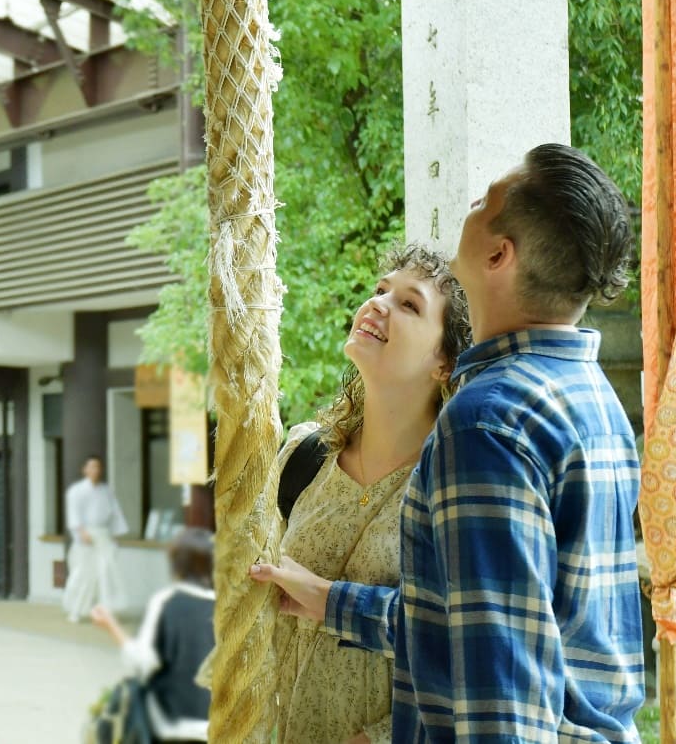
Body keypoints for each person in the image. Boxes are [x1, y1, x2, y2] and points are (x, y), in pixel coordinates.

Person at [252, 143, 646, 742]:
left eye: (484, 200)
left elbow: (499, 696)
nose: (470, 205)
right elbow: (465, 626)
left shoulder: (485, 422)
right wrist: (332, 603)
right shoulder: (596, 403)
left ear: (498, 253)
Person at [269, 244, 470, 744]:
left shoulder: (452, 483)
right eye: (381, 290)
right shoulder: (303, 454)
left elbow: (467, 647)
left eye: (409, 304)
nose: (377, 304)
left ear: (443, 362)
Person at [90, 526, 216, 742]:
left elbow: (142, 664)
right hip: (214, 723)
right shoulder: (222, 606)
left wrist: (111, 626)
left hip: (169, 724)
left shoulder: (166, 602)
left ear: (177, 564)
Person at [63, 455, 128, 623]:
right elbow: (74, 513)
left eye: (97, 467)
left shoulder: (106, 490)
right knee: (84, 573)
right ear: (85, 469)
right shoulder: (76, 491)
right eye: (91, 467)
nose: (95, 470)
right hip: (86, 535)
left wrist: (114, 535)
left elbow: (114, 513)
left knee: (107, 572)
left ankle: (106, 611)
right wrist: (81, 532)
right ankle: (76, 610)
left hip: (103, 534)